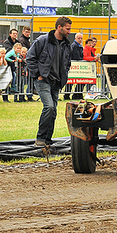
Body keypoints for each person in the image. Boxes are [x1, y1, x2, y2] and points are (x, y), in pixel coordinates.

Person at [26, 16, 72, 147]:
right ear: (59, 27)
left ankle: (47, 139)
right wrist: (38, 74)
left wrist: (64, 74)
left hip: (56, 81)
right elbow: (30, 58)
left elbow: (67, 62)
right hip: (43, 80)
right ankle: (40, 138)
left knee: (53, 111)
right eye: (67, 29)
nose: (69, 31)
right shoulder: (42, 40)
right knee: (49, 107)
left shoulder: (66, 44)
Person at [64, 33, 84, 100]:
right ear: (75, 38)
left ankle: (75, 94)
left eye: (81, 38)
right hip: (74, 65)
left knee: (74, 81)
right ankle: (67, 95)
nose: (80, 39)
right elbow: (76, 56)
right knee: (71, 82)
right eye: (79, 38)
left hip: (76, 65)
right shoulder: (74, 46)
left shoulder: (79, 46)